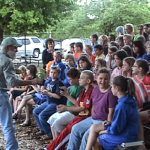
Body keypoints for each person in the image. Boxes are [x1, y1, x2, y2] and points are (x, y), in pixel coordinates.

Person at [0, 37, 41, 150]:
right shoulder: (7, 61)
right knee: (8, 125)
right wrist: (31, 82)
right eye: (15, 48)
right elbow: (12, 82)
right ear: (8, 47)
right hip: (1, 95)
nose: (17, 51)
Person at [67, 68, 117, 150]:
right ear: (96, 78)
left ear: (109, 80)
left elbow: (111, 112)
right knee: (75, 128)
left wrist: (107, 125)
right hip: (92, 118)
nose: (103, 81)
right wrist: (92, 114)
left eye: (106, 79)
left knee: (86, 137)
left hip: (102, 121)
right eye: (100, 78)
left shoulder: (111, 93)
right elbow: (94, 104)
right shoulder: (96, 89)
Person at [86, 76, 141, 150]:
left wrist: (103, 131)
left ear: (117, 88)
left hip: (127, 140)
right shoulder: (130, 99)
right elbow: (121, 123)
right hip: (132, 135)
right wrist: (110, 124)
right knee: (94, 128)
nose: (111, 89)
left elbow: (115, 130)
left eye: (112, 87)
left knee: (96, 140)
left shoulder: (122, 105)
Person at [47, 70, 94, 150]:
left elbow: (83, 108)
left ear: (88, 81)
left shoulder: (91, 91)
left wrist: (66, 108)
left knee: (68, 130)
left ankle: (52, 148)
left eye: (81, 78)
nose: (79, 79)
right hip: (79, 116)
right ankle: (52, 147)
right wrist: (66, 105)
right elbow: (78, 104)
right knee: (64, 130)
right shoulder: (83, 91)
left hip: (84, 117)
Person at [47, 68, 82, 139]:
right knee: (51, 119)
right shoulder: (71, 87)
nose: (69, 81)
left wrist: (67, 95)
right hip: (68, 110)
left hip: (74, 112)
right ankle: (55, 141)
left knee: (57, 123)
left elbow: (77, 104)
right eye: (68, 79)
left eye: (71, 79)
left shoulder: (80, 88)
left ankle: (62, 141)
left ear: (77, 78)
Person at [33, 66, 67, 139]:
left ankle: (49, 134)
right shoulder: (48, 80)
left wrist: (48, 93)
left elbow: (58, 96)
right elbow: (44, 87)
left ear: (58, 74)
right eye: (51, 72)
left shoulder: (59, 83)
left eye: (55, 73)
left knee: (42, 116)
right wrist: (43, 89)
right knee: (35, 111)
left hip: (56, 103)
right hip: (48, 101)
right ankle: (43, 130)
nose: (53, 74)